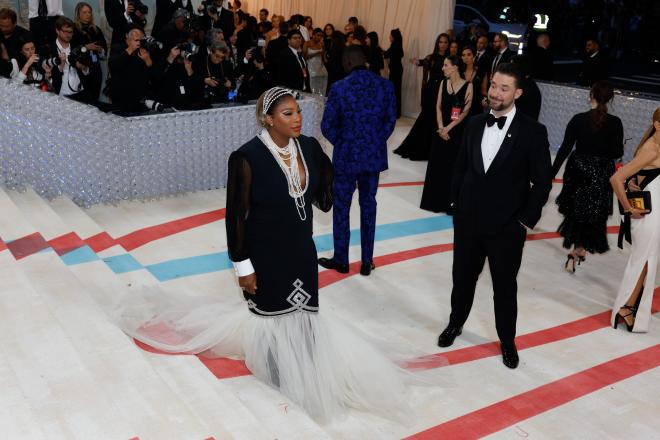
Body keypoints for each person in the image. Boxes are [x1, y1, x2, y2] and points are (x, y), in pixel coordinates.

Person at [118, 87, 414, 423]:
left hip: (302, 249)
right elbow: (236, 217)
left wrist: (344, 167)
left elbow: (324, 195)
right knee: (271, 319)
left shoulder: (309, 147)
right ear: (268, 118)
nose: (297, 118)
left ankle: (305, 370)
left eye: (298, 112)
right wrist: (243, 266)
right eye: (287, 114)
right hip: (266, 253)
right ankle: (278, 376)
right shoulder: (247, 157)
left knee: (304, 314)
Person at [437, 62, 552, 369]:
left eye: (504, 88)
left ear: (518, 92)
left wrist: (524, 221)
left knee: (504, 288)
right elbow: (461, 168)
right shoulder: (474, 124)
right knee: (461, 279)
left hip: (507, 227)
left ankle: (507, 341)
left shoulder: (533, 131)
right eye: (493, 86)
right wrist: (456, 206)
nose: (496, 93)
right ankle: (455, 323)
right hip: (468, 222)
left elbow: (542, 182)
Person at [318, 46, 397, 276]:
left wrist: (344, 144)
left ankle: (341, 261)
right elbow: (390, 121)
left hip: (346, 159)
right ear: (365, 61)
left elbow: (327, 126)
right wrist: (374, 141)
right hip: (372, 159)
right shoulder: (385, 85)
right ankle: (366, 262)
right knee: (368, 206)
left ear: (347, 63)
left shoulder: (339, 88)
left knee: (342, 207)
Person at [552, 81, 623, 271]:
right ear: (610, 99)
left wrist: (551, 173)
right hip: (601, 173)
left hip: (578, 170)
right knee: (593, 213)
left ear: (591, 95)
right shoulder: (615, 123)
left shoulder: (578, 119)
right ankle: (579, 249)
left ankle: (577, 249)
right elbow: (617, 152)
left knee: (577, 211)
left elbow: (565, 148)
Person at [609, 107, 660, 333]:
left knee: (646, 264)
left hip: (654, 212)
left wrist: (633, 184)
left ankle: (629, 308)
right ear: (657, 124)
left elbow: (635, 178)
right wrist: (629, 208)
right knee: (642, 262)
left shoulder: (654, 147)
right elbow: (616, 178)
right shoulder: (652, 150)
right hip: (648, 216)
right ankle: (626, 308)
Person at [420, 55, 473, 213]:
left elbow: (465, 111)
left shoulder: (468, 86)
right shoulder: (443, 83)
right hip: (441, 130)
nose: (442, 68)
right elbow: (438, 107)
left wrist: (448, 128)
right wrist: (441, 127)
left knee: (453, 168)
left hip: (456, 133)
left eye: (445, 65)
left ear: (455, 66)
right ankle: (433, 202)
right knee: (437, 166)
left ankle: (450, 203)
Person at [393, 33, 449, 160]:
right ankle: (419, 148)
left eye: (445, 42)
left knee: (438, 119)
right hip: (431, 90)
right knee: (426, 117)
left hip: (444, 90)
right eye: (441, 42)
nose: (443, 44)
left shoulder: (450, 59)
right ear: (437, 43)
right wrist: (417, 61)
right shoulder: (431, 57)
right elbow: (424, 68)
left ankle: (432, 149)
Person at [71, 2, 106, 101]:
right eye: (84, 12)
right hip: (81, 68)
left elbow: (104, 53)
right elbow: (72, 50)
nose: (88, 15)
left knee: (95, 98)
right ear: (78, 14)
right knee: (84, 99)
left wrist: (100, 50)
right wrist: (86, 47)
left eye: (89, 12)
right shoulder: (73, 29)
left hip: (96, 68)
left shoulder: (96, 29)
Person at [383, 28, 403, 118]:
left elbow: (386, 54)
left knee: (394, 91)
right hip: (397, 70)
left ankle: (395, 113)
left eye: (391, 36)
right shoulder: (398, 46)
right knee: (396, 91)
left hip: (395, 71)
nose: (389, 37)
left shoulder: (394, 46)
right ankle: (397, 112)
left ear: (394, 37)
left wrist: (379, 47)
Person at [303, 27, 327, 94]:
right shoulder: (307, 43)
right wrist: (316, 53)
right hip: (311, 68)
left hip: (320, 67)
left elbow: (323, 57)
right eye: (318, 35)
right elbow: (304, 57)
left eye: (321, 36)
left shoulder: (321, 44)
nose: (319, 37)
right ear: (313, 35)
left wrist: (323, 48)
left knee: (322, 88)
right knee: (313, 88)